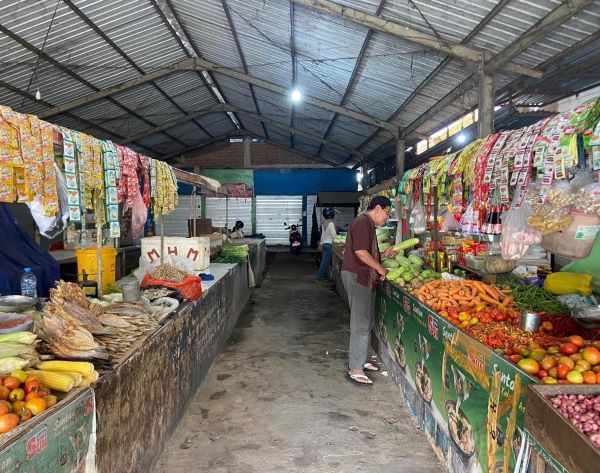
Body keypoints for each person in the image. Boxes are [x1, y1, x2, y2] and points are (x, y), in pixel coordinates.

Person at [341, 196, 391, 387]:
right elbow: (360, 252)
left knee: (366, 321)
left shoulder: (367, 223)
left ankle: (361, 359)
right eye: (387, 212)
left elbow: (365, 251)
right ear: (378, 208)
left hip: (361, 276)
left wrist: (383, 255)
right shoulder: (363, 222)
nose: (387, 217)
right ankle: (355, 368)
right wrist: (379, 267)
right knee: (360, 323)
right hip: (358, 277)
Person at [316, 207, 337, 281]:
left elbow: (323, 235)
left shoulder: (324, 223)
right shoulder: (331, 223)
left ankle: (320, 276)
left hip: (325, 244)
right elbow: (334, 236)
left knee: (324, 261)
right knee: (325, 262)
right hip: (329, 245)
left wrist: (321, 243)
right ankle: (319, 277)